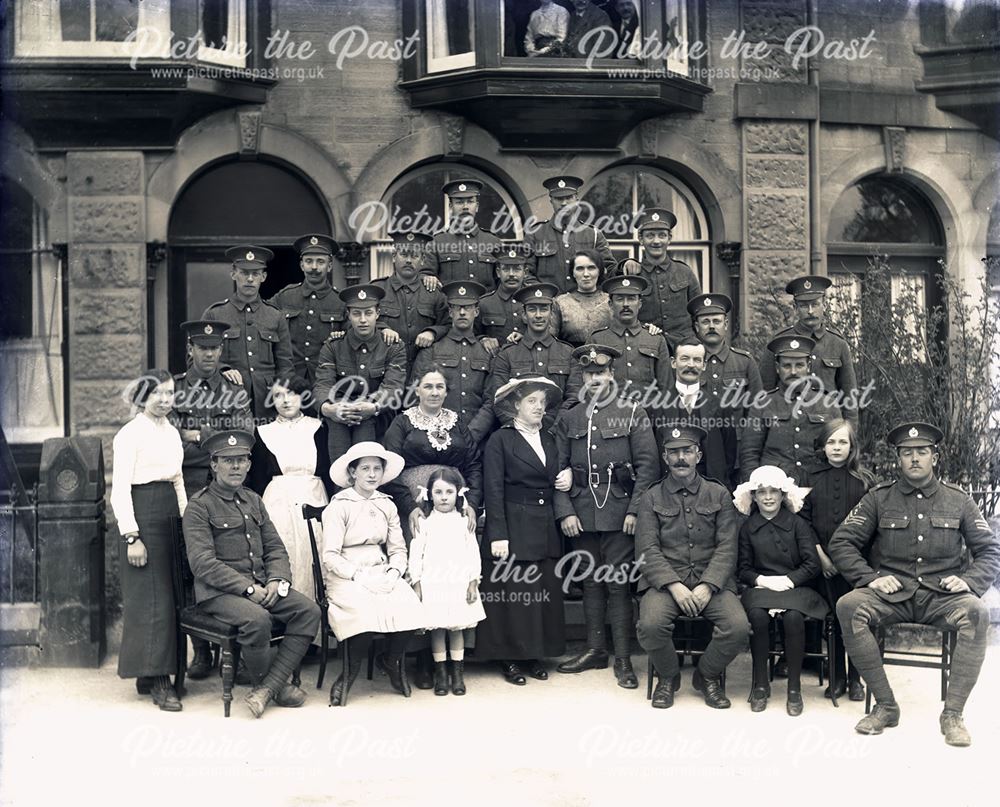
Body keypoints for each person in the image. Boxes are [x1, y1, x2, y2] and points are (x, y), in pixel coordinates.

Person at [829, 422, 1000, 747]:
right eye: (907, 453)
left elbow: (990, 549)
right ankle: (886, 705)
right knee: (849, 606)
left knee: (975, 613)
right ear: (898, 459)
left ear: (934, 457)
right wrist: (871, 579)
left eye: (922, 452)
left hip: (942, 597)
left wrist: (969, 582)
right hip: (894, 594)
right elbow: (842, 543)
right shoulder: (878, 499)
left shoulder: (958, 500)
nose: (915, 459)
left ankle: (952, 715)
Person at [182, 429, 321, 718]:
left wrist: (276, 580)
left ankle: (267, 688)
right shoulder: (199, 506)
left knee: (308, 610)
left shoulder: (254, 500)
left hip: (260, 586)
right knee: (258, 620)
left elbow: (275, 548)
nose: (236, 467)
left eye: (242, 460)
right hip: (218, 594)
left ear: (249, 464)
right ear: (214, 464)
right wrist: (247, 589)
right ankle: (273, 686)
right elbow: (202, 563)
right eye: (228, 460)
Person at [553, 344, 659, 688]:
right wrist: (565, 510)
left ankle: (624, 658)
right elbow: (557, 469)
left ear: (612, 374)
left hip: (619, 511)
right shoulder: (569, 417)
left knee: (618, 585)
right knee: (590, 583)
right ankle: (595, 649)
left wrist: (634, 511)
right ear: (581, 377)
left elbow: (647, 468)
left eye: (600, 372)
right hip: (582, 511)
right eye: (588, 374)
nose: (595, 379)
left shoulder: (632, 413)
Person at [635, 425, 749, 710]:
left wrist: (708, 585)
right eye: (674, 452)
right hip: (665, 584)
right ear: (664, 457)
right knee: (650, 626)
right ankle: (668, 677)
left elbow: (727, 546)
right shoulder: (651, 497)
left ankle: (706, 676)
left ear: (698, 455)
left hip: (711, 582)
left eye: (687, 451)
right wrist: (673, 585)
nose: (681, 458)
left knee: (737, 627)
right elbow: (647, 550)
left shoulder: (719, 494)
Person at [172, 320, 253, 680]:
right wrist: (217, 434)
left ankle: (231, 646)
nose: (209, 354)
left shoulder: (233, 388)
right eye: (202, 347)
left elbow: (246, 431)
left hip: (224, 485)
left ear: (222, 351)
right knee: (192, 565)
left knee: (229, 557)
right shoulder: (173, 389)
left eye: (215, 348)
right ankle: (201, 650)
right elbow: (171, 433)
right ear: (190, 349)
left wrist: (197, 433)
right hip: (189, 483)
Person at [477, 377, 567, 685]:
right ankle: (510, 657)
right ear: (516, 405)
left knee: (542, 594)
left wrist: (567, 476)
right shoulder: (500, 440)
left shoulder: (551, 439)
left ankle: (534, 654)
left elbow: (556, 472)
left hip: (545, 525)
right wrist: (497, 534)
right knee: (515, 596)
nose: (539, 407)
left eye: (542, 402)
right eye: (532, 401)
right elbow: (492, 489)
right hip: (513, 525)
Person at [321, 442, 424, 705]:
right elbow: (330, 555)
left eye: (377, 468)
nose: (371, 474)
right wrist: (358, 576)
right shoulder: (338, 506)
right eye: (364, 468)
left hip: (380, 568)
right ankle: (348, 674)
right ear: (352, 472)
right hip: (346, 572)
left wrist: (395, 571)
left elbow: (398, 548)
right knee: (363, 610)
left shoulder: (386, 505)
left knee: (409, 603)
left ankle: (391, 661)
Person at [110, 369, 187, 711]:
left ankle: (148, 672)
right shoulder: (129, 435)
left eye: (170, 394)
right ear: (142, 396)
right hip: (143, 516)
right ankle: (159, 681)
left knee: (169, 596)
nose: (164, 400)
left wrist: (186, 524)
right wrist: (132, 536)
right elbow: (120, 491)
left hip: (170, 515)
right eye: (157, 394)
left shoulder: (172, 432)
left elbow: (179, 480)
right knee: (151, 600)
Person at [734, 466, 828, 716]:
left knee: (794, 618)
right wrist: (763, 580)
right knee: (757, 616)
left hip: (795, 587)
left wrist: (788, 580)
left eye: (773, 491)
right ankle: (760, 684)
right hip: (762, 587)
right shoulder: (748, 527)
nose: (767, 497)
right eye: (761, 492)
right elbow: (742, 568)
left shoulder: (797, 524)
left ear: (783, 494)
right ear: (753, 496)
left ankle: (794, 689)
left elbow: (812, 564)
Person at [799, 418, 873, 701]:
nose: (837, 447)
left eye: (843, 441)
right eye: (831, 441)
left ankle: (856, 678)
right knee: (833, 618)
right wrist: (822, 559)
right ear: (823, 446)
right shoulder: (810, 477)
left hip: (856, 566)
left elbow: (871, 526)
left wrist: (853, 564)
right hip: (824, 566)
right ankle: (837, 677)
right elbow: (803, 523)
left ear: (852, 445)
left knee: (854, 618)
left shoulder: (864, 480)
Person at [247, 376, 334, 611]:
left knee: (313, 553)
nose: (285, 401)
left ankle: (316, 631)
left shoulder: (318, 428)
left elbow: (327, 471)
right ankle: (283, 622)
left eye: (291, 394)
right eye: (278, 396)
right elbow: (256, 480)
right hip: (278, 502)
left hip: (313, 496)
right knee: (284, 554)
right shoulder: (264, 432)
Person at [409, 467, 487, 696]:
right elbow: (416, 554)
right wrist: (417, 582)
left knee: (456, 627)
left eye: (449, 492)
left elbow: (473, 553)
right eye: (438, 492)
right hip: (433, 582)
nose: (444, 497)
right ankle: (441, 673)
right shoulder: (424, 523)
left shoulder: (464, 522)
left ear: (458, 494)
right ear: (429, 494)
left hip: (458, 582)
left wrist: (473, 581)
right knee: (438, 628)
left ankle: (457, 673)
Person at [313, 283, 408, 462]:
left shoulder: (393, 347)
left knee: (367, 462)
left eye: (368, 313)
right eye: (356, 313)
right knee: (339, 458)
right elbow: (323, 384)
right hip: (339, 417)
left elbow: (393, 386)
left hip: (378, 419)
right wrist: (328, 408)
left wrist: (373, 406)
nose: (363, 319)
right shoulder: (333, 346)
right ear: (348, 315)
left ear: (377, 314)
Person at [202, 245, 294, 416]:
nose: (250, 279)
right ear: (233, 274)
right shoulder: (215, 314)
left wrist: (280, 391)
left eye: (256, 273)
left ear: (263, 277)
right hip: (226, 401)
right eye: (244, 273)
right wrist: (222, 369)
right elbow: (194, 359)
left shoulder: (275, 316)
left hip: (267, 403)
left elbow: (285, 364)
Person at [759, 275, 859, 428]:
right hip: (788, 423)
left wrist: (849, 434)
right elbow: (765, 391)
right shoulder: (779, 342)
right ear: (795, 307)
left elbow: (849, 397)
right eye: (804, 306)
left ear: (824, 304)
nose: (811, 311)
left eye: (815, 304)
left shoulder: (838, 344)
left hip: (828, 426)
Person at [740, 334, 841, 482]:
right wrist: (756, 489)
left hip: (817, 485)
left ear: (808, 367)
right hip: (775, 489)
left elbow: (840, 450)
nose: (793, 371)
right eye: (787, 366)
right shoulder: (762, 404)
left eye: (799, 365)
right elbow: (750, 453)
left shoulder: (828, 403)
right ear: (777, 368)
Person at [486, 282, 580, 428]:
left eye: (543, 309)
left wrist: (554, 429)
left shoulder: (568, 353)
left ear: (551, 313)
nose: (538, 315)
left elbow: (573, 398)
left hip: (558, 434)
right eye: (532, 309)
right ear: (523, 315)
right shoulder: (508, 354)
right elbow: (498, 397)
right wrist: (520, 429)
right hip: (517, 435)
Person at [410, 281, 495, 443]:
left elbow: (491, 401)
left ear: (476, 312)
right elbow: (415, 396)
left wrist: (470, 436)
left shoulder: (486, 352)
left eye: (468, 307)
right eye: (457, 307)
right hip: (435, 438)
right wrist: (439, 437)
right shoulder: (432, 349)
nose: (462, 312)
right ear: (450, 312)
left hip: (477, 440)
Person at [688, 293, 762, 470]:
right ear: (697, 327)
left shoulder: (744, 362)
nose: (711, 326)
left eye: (716, 321)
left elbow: (756, 412)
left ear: (726, 324)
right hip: (696, 448)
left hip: (736, 451)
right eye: (705, 322)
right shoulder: (687, 362)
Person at [658, 336, 740, 489]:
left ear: (704, 365)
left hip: (710, 489)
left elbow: (729, 451)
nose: (691, 365)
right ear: (673, 363)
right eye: (684, 359)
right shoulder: (657, 405)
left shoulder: (720, 405)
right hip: (669, 489)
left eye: (697, 360)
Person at [267, 233, 345, 386]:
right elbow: (262, 320)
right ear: (301, 265)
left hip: (326, 381)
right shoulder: (285, 297)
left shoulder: (341, 301)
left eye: (320, 262)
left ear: (329, 266)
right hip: (289, 381)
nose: (314, 267)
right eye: (309, 261)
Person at [617, 208, 701, 350]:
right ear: (641, 239)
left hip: (684, 348)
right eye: (650, 235)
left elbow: (698, 313)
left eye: (662, 235)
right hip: (646, 347)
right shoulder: (633, 275)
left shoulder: (684, 272)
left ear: (669, 238)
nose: (656, 241)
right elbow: (622, 315)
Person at [589, 274, 672, 417]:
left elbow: (666, 387)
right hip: (609, 417)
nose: (626, 304)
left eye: (631, 298)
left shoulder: (656, 339)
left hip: (649, 417)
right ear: (610, 304)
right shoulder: (597, 340)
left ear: (640, 303)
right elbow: (588, 384)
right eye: (620, 299)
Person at [372, 231, 450, 370]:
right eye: (404, 254)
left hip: (423, 373)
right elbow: (359, 321)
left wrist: (432, 332)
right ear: (394, 256)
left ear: (422, 260)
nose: (409, 260)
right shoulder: (377, 290)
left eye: (414, 256)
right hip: (385, 370)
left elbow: (449, 324)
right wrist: (382, 328)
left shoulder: (434, 293)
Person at [525, 176, 616, 292]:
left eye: (569, 198)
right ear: (551, 201)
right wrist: (544, 297)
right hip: (548, 305)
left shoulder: (592, 234)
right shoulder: (535, 234)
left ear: (577, 199)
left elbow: (609, 270)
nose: (564, 203)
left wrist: (625, 265)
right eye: (558, 198)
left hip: (584, 305)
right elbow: (526, 273)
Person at [428, 179, 503, 289]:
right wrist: (429, 277)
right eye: (459, 202)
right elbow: (425, 275)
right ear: (450, 206)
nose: (465, 207)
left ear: (477, 206)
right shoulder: (438, 242)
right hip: (450, 305)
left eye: (470, 201)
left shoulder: (493, 241)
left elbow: (502, 282)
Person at [476, 242, 533, 353]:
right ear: (498, 272)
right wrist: (482, 339)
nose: (511, 274)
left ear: (525, 273)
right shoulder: (484, 303)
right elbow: (471, 334)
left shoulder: (535, 302)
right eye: (506, 269)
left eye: (517, 269)